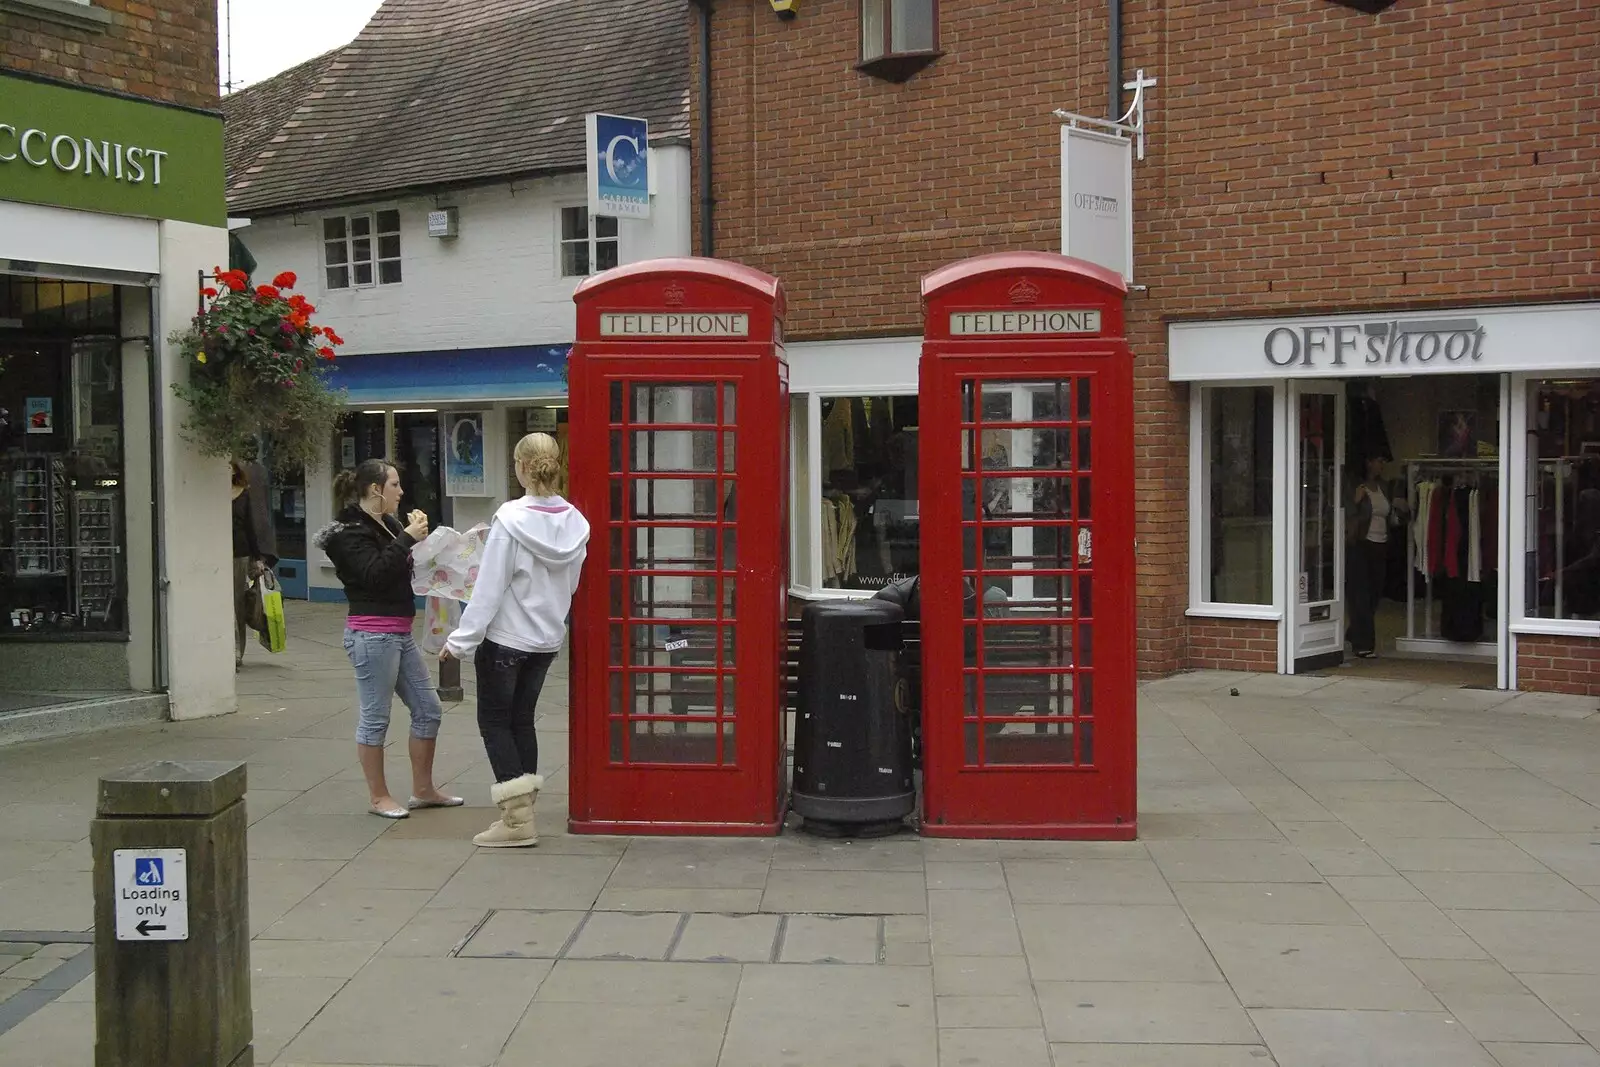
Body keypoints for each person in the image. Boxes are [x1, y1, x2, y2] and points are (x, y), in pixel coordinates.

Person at [442, 433, 589, 847]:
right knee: (521, 721)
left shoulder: (510, 518)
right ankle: (523, 812)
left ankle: (517, 820)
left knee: (494, 722)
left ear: (522, 466)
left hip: (506, 640)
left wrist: (460, 641)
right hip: (545, 641)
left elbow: (489, 589)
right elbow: (572, 586)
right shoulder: (576, 522)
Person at [313, 458, 462, 819]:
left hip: (399, 631)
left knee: (429, 709)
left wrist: (427, 547)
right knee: (375, 718)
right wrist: (407, 538)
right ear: (375, 489)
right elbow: (374, 575)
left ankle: (423, 789)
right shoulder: (348, 532)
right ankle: (379, 796)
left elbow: (401, 566)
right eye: (395, 485)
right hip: (371, 635)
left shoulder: (388, 523)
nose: (401, 491)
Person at [1345, 453, 1408, 659]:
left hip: (1380, 545)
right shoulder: (1358, 487)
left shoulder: (1384, 487)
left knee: (1374, 594)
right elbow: (1345, 512)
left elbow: (1391, 515)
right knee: (1360, 595)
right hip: (1361, 544)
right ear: (1368, 462)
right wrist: (1355, 501)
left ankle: (1354, 632)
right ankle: (1363, 644)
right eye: (1378, 460)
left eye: (1383, 461)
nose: (1381, 465)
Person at [230, 461, 276, 670]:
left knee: (237, 604)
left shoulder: (243, 493)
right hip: (216, 554)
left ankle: (237, 653)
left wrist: (257, 557)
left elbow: (250, 526)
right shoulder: (212, 494)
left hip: (239, 554)